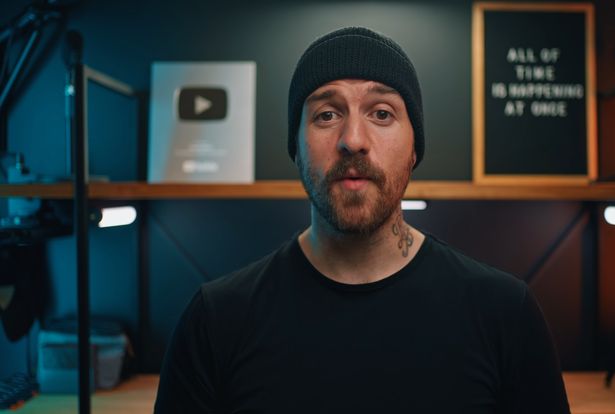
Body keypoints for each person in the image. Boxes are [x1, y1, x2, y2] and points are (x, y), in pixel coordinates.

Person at [154, 27, 570, 413]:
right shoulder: (216, 321)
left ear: (414, 149)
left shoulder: (505, 314)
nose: (353, 139)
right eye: (326, 115)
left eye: (382, 113)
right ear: (296, 147)